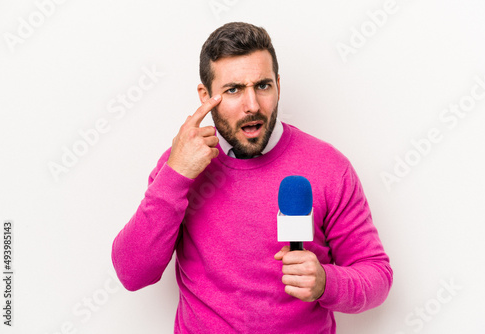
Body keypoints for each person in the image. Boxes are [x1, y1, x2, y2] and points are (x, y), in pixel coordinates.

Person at [112, 22, 393, 333]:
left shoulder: (328, 167)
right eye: (233, 90)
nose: (252, 106)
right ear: (206, 96)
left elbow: (377, 275)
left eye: (263, 86)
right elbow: (132, 273)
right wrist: (176, 173)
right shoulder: (181, 164)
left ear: (278, 86)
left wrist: (327, 282)